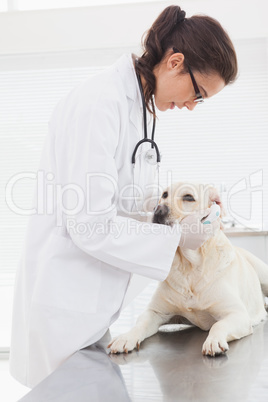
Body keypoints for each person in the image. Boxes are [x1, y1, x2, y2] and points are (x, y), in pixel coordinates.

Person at [9, 5, 238, 388]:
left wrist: (192, 200)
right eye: (197, 92)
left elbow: (125, 195)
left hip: (92, 305)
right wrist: (178, 236)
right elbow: (90, 223)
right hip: (64, 303)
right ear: (175, 62)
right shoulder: (101, 103)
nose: (193, 106)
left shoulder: (140, 107)